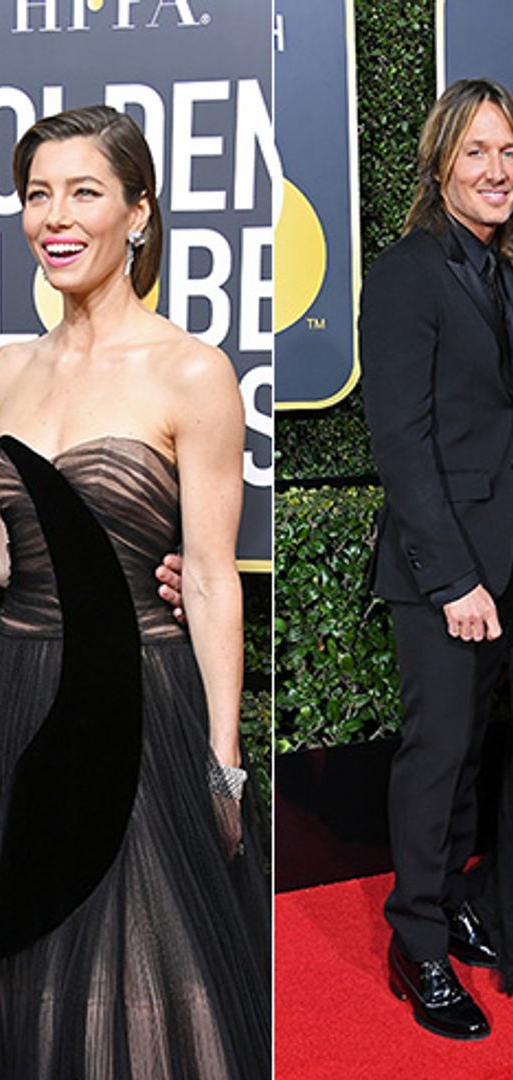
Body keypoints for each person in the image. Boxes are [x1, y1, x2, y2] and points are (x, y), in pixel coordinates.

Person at [0, 105, 271, 1080]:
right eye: (37, 194)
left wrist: (224, 762)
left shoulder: (193, 372)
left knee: (150, 989)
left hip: (136, 705)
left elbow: (207, 574)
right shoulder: (1, 373)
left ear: (138, 213)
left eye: (84, 192)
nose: (55, 216)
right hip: (6, 702)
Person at [360, 77, 513, 1040]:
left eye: (508, 154)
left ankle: (470, 906)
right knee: (438, 754)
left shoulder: (505, 269)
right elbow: (401, 441)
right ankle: (416, 944)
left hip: (511, 553)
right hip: (446, 568)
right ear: (441, 164)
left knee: (480, 759)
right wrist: (453, 577)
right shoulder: (409, 271)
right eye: (477, 154)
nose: (497, 172)